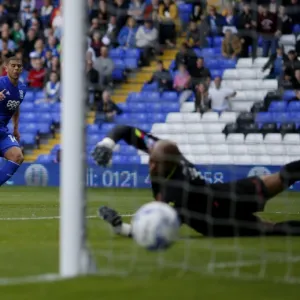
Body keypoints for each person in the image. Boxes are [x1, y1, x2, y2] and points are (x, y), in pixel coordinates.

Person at [93, 125, 300, 237]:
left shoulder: (176, 192)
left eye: (155, 163)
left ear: (168, 166)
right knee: (273, 229)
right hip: (222, 197)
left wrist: (121, 228)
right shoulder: (165, 152)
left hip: (221, 218)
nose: (151, 165)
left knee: (281, 179)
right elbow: (127, 131)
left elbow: (154, 226)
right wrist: (107, 143)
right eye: (151, 159)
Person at [0, 56, 26, 186]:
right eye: (13, 65)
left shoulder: (22, 89)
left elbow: (16, 107)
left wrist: (16, 128)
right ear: (6, 67)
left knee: (17, 156)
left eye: (19, 66)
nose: (16, 68)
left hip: (2, 131)